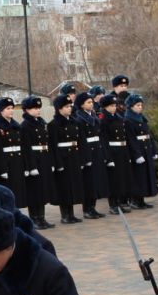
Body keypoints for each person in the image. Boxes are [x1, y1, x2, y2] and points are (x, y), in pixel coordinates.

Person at [47, 94, 84, 224]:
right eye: (66, 107)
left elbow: (79, 141)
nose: (69, 109)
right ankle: (65, 215)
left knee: (73, 185)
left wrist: (81, 159)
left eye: (70, 106)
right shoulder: (53, 125)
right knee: (64, 187)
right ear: (59, 109)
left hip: (74, 156)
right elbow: (53, 145)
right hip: (63, 157)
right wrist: (57, 162)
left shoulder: (74, 122)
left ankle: (71, 214)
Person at [20, 95, 55, 230]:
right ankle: (34, 218)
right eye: (34, 108)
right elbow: (26, 148)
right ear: (27, 110)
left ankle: (42, 217)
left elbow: (47, 143)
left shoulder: (41, 123)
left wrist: (50, 161)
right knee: (34, 191)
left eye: (38, 108)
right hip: (34, 159)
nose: (38, 110)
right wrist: (31, 166)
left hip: (44, 157)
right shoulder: (25, 126)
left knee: (43, 189)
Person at [0, 97, 28, 209]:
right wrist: (2, 169)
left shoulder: (17, 126)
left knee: (18, 194)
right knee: (7, 195)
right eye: (8, 108)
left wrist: (25, 166)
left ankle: (16, 218)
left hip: (17, 162)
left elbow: (22, 148)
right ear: (1, 111)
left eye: (12, 108)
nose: (11, 110)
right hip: (6, 164)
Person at [72, 92, 106, 220]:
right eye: (88, 102)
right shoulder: (79, 118)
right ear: (81, 105)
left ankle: (93, 207)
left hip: (96, 150)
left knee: (95, 180)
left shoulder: (93, 116)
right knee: (88, 182)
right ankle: (87, 209)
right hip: (87, 151)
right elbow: (81, 139)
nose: (91, 104)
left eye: (92, 102)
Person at [98, 93, 133, 215]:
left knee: (123, 178)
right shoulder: (104, 121)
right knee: (114, 180)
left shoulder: (119, 118)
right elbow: (104, 140)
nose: (114, 107)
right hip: (113, 153)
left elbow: (125, 138)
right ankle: (113, 204)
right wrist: (108, 158)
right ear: (106, 107)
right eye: (111, 105)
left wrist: (127, 154)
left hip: (122, 151)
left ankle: (122, 201)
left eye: (115, 105)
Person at [123, 94, 158, 209]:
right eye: (137, 105)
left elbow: (149, 135)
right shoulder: (128, 120)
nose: (140, 107)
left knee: (145, 176)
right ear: (131, 106)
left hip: (146, 148)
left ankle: (141, 200)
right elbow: (131, 139)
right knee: (138, 176)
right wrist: (137, 154)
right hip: (138, 150)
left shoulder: (141, 118)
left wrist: (153, 150)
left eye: (141, 105)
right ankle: (135, 200)